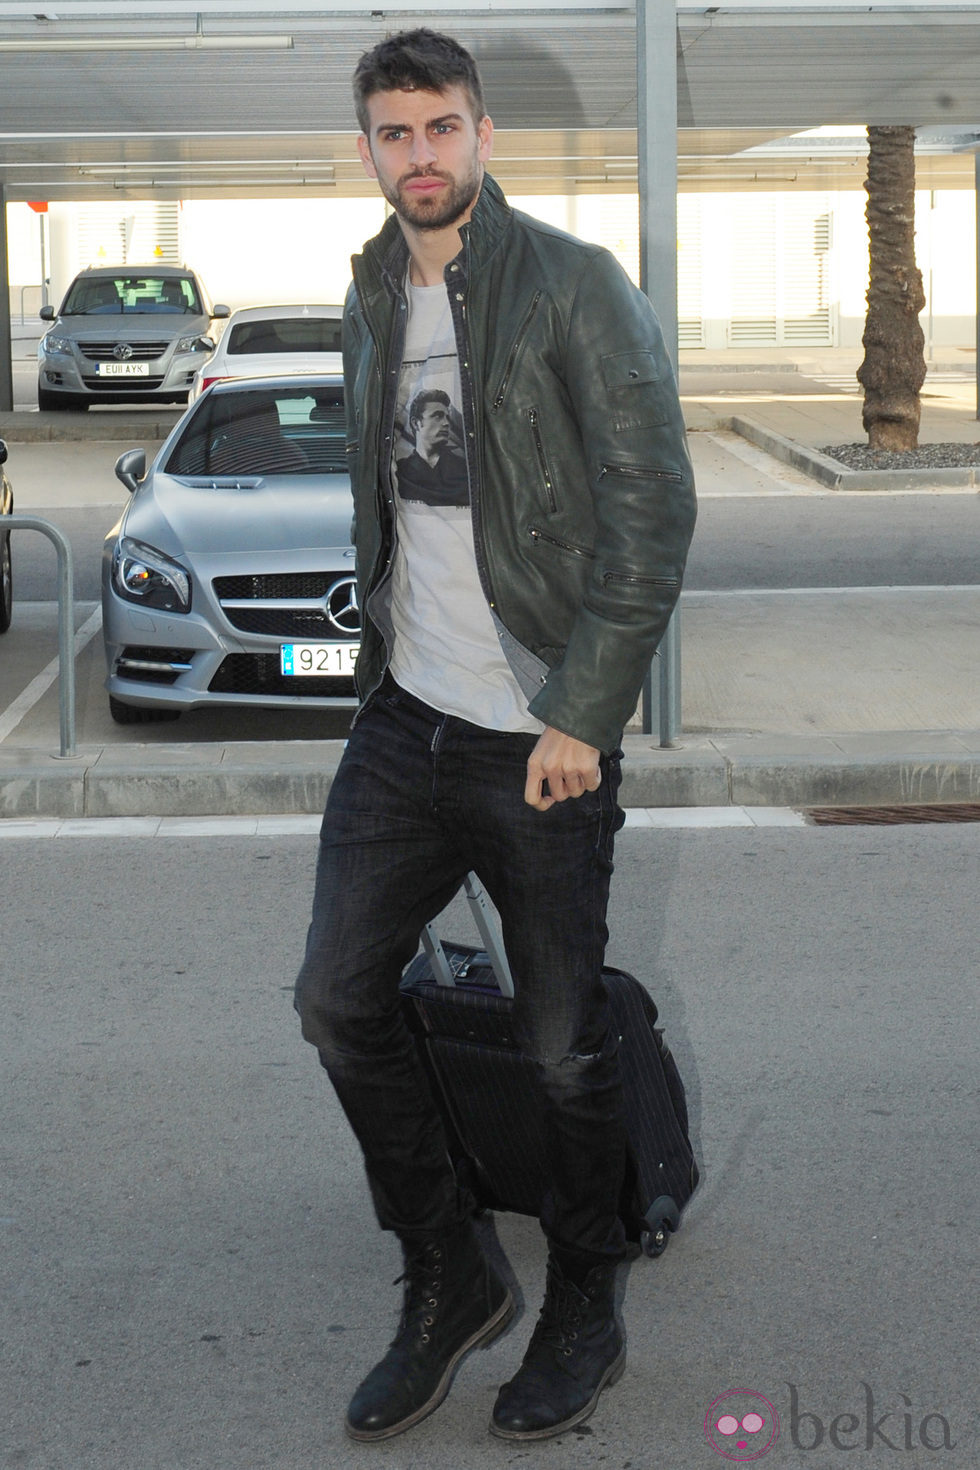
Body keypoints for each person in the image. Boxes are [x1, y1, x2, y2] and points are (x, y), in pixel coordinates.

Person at [294, 27, 697, 1444]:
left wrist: (581, 712)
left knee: (562, 1042)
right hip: (405, 717)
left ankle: (584, 1296)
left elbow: (655, 507)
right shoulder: (362, 294)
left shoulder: (575, 288)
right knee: (339, 997)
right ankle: (448, 1271)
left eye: (443, 127)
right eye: (396, 133)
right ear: (368, 149)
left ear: (482, 133)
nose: (422, 155)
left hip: (537, 730)